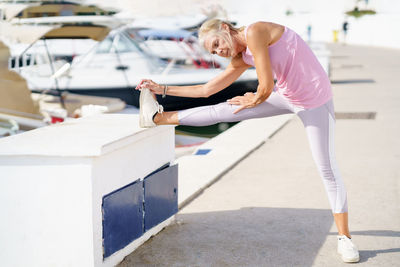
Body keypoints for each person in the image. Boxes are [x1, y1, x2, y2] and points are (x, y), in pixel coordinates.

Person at [135, 19, 359, 263]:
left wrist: (253, 99)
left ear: (224, 28)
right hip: (286, 96)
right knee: (223, 109)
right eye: (213, 51)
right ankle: (158, 117)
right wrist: (163, 89)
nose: (218, 51)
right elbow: (206, 90)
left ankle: (345, 238)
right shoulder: (241, 57)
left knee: (326, 168)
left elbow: (265, 86)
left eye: (217, 44)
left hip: (315, 101)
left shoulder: (256, 31)